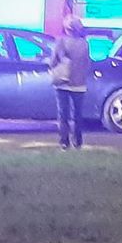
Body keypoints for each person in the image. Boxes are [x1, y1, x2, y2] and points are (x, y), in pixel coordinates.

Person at [47, 17, 94, 150]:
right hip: (79, 84)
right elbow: (87, 63)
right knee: (77, 114)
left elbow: (53, 61)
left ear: (67, 29)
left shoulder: (61, 41)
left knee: (63, 114)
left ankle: (64, 142)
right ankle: (78, 141)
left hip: (63, 82)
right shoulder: (84, 44)